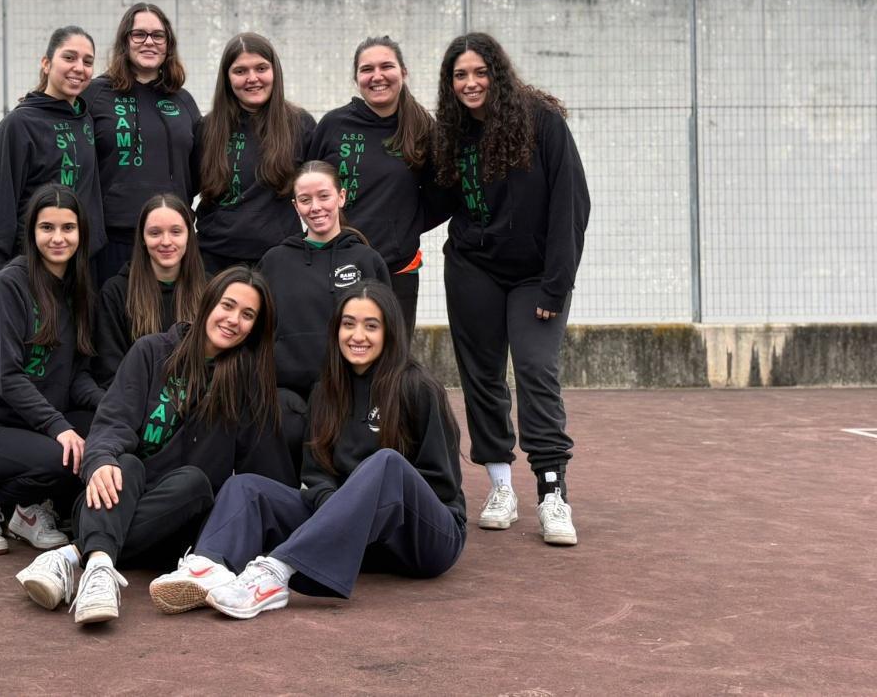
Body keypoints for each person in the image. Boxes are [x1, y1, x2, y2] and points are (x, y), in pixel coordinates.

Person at [148, 282, 465, 619]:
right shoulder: (326, 391)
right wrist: (340, 511)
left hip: (423, 539)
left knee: (386, 464)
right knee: (246, 487)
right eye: (348, 324)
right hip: (353, 539)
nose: (358, 335)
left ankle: (275, 574)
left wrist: (360, 507)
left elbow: (440, 485)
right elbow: (316, 475)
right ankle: (207, 566)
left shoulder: (417, 387)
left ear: (390, 331)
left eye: (371, 326)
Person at [12, 267, 294, 625]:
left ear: (255, 327)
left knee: (194, 481)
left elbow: (265, 477)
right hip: (114, 499)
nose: (234, 320)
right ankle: (98, 569)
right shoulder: (152, 352)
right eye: (228, 305)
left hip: (176, 521)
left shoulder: (248, 385)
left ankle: (72, 557)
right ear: (208, 303)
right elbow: (113, 423)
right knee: (124, 464)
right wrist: (99, 460)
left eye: (248, 315)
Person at [431, 32, 590, 546]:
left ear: (497, 74)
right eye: (460, 75)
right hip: (473, 268)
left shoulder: (542, 122)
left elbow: (572, 205)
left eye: (479, 72)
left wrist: (556, 286)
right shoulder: (453, 133)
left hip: (534, 276)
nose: (470, 83)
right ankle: (501, 486)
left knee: (535, 369)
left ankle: (552, 493)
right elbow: (434, 201)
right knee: (480, 376)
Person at [0, 184, 103, 556]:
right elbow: (8, 377)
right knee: (64, 460)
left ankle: (27, 512)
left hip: (30, 428)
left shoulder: (79, 291)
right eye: (47, 228)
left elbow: (76, 375)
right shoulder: (7, 286)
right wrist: (59, 427)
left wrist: (111, 407)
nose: (58, 238)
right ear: (32, 232)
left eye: (68, 228)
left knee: (101, 438)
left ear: (81, 233)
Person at [257, 161, 391, 471]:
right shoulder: (275, 261)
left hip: (349, 392)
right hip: (289, 395)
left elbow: (387, 332)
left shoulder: (366, 260)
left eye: (324, 196)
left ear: (341, 197)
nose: (315, 207)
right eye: (305, 200)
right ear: (295, 206)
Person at [309, 36, 436, 332]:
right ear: (356, 78)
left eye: (386, 66)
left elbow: (442, 195)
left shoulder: (422, 129)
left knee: (394, 361)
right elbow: (308, 186)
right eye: (367, 69)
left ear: (403, 73)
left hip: (398, 267)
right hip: (335, 261)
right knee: (336, 353)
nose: (377, 76)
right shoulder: (334, 125)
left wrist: (404, 226)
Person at [85, 3, 201, 284]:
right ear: (125, 41)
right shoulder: (95, 94)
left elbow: (198, 168)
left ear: (168, 45)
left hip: (169, 243)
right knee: (113, 324)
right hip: (112, 241)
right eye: (139, 34)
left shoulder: (182, 100)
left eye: (158, 36)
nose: (149, 42)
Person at [0, 26, 105, 281]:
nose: (79, 67)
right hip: (33, 266)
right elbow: (2, 201)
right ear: (46, 64)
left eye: (87, 61)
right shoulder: (18, 124)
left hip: (81, 269)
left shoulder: (86, 120)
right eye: (69, 57)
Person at [195, 33, 315, 274]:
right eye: (240, 71)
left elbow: (318, 194)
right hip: (214, 261)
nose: (252, 79)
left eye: (261, 68)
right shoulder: (206, 128)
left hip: (281, 260)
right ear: (227, 78)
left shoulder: (300, 125)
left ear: (275, 72)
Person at [93, 193, 206, 388]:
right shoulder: (116, 292)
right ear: (143, 238)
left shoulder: (210, 290)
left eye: (176, 232)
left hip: (195, 403)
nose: (166, 241)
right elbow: (109, 371)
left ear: (189, 235)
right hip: (135, 404)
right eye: (155, 233)